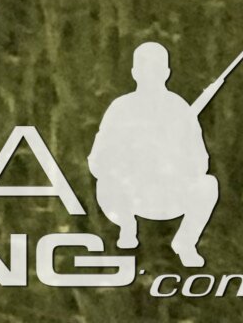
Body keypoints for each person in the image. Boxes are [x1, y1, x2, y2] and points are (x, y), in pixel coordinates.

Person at [91, 42, 219, 269]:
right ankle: (127, 227)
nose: (150, 74)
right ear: (134, 73)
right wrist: (131, 159)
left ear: (166, 73)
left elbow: (201, 163)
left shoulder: (180, 109)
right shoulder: (120, 108)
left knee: (208, 185)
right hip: (129, 196)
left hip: (169, 194)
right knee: (108, 182)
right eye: (144, 68)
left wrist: (173, 159)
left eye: (156, 68)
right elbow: (97, 161)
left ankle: (186, 242)